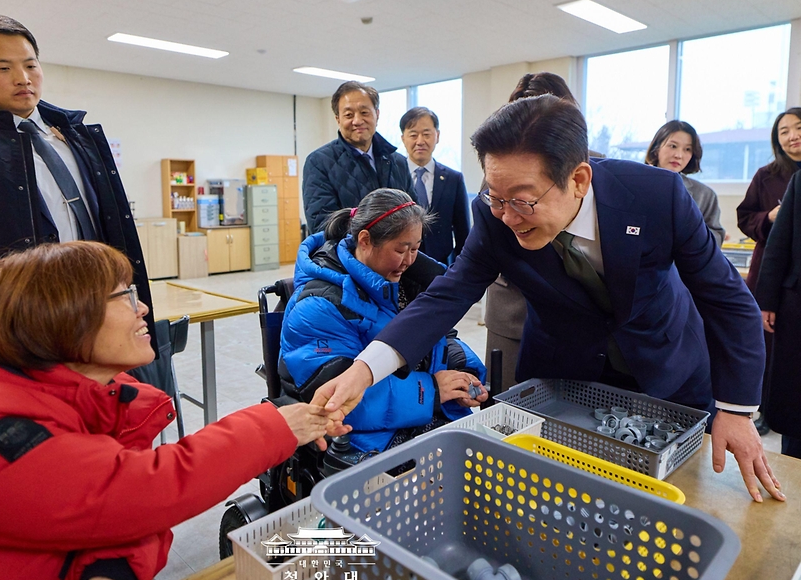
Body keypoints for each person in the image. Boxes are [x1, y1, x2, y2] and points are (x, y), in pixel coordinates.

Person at [312, 95, 783, 504]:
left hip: (666, 361)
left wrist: (737, 409)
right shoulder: (494, 214)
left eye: (522, 200)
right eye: (495, 197)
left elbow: (726, 299)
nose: (507, 216)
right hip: (565, 371)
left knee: (672, 499)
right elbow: (447, 296)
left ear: (578, 179)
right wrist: (364, 370)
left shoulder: (655, 195)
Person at [0, 241, 330, 580]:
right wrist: (275, 428)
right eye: (125, 295)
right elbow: (139, 493)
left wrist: (114, 566)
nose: (143, 308)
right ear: (62, 317)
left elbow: (124, 515)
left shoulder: (97, 399)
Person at [0, 14, 155, 359]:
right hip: (22, 320)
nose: (23, 78)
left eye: (31, 65)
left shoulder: (78, 136)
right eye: (3, 68)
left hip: (100, 306)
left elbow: (111, 224)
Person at [281, 188, 485, 454]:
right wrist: (433, 390)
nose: (409, 260)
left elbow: (441, 336)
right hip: (367, 437)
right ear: (365, 240)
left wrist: (463, 371)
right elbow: (340, 398)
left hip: (421, 416)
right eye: (401, 250)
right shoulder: (318, 306)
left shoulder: (409, 281)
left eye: (416, 248)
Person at [483, 72, 581, 389]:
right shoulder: (495, 180)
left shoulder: (591, 171)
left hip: (574, 314)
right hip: (512, 308)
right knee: (506, 398)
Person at [736, 108, 801, 434]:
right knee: (766, 341)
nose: (793, 136)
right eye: (784, 131)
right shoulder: (767, 175)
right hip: (771, 267)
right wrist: (771, 217)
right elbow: (744, 217)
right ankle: (763, 408)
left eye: (798, 127)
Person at [302, 81, 416, 232]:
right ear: (338, 119)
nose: (357, 121)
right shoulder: (319, 163)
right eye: (349, 115)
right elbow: (323, 226)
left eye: (364, 112)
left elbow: (414, 214)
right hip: (350, 248)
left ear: (377, 114)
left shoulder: (398, 162)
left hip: (399, 248)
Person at [755, 146, 801, 458]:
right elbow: (778, 243)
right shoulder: (799, 181)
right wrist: (767, 300)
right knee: (794, 399)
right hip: (796, 304)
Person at [398, 106, 470, 264]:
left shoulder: (454, 179)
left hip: (442, 264)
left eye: (426, 134)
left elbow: (463, 232)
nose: (420, 141)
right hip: (400, 263)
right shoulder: (394, 175)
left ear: (437, 136)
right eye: (413, 135)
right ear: (403, 138)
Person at [645, 120, 724, 246]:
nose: (679, 155)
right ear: (656, 149)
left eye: (687, 149)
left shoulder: (704, 194)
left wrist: (694, 234)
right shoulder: (634, 184)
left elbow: (716, 238)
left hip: (683, 257)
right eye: (673, 146)